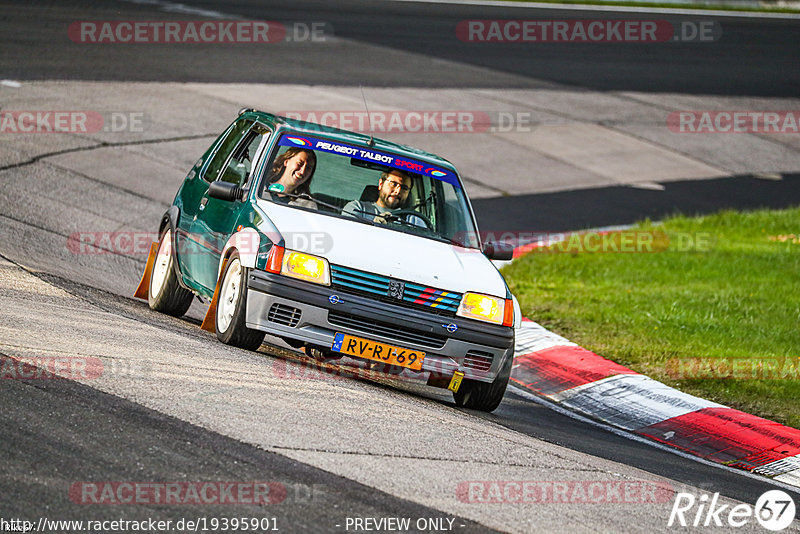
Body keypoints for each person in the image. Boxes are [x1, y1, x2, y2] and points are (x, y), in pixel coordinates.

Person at [342, 169, 424, 226]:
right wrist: (373, 226)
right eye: (393, 184)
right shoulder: (356, 208)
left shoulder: (415, 221)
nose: (397, 191)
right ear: (381, 184)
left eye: (404, 188)